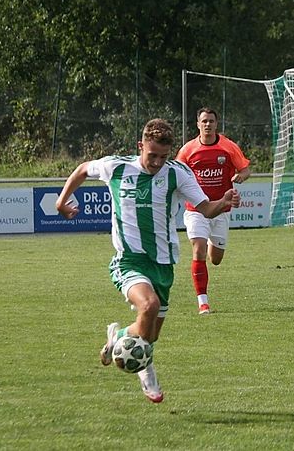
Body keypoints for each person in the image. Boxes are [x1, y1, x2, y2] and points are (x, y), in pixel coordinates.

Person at [55, 118, 240, 403]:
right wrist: (61, 201)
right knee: (149, 305)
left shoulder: (177, 173)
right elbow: (82, 169)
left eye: (163, 157)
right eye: (151, 155)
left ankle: (117, 336)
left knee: (150, 335)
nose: (156, 162)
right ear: (140, 146)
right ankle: (147, 371)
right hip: (129, 259)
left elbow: (206, 209)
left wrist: (224, 201)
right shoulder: (117, 167)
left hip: (164, 263)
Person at [176, 107, 252, 314]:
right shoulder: (187, 150)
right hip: (196, 209)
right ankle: (203, 302)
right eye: (204, 121)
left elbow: (245, 169)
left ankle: (212, 241)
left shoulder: (228, 147)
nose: (208, 124)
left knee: (216, 259)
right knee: (198, 249)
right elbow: (176, 174)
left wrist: (240, 177)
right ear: (198, 124)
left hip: (221, 209)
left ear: (216, 124)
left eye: (211, 121)